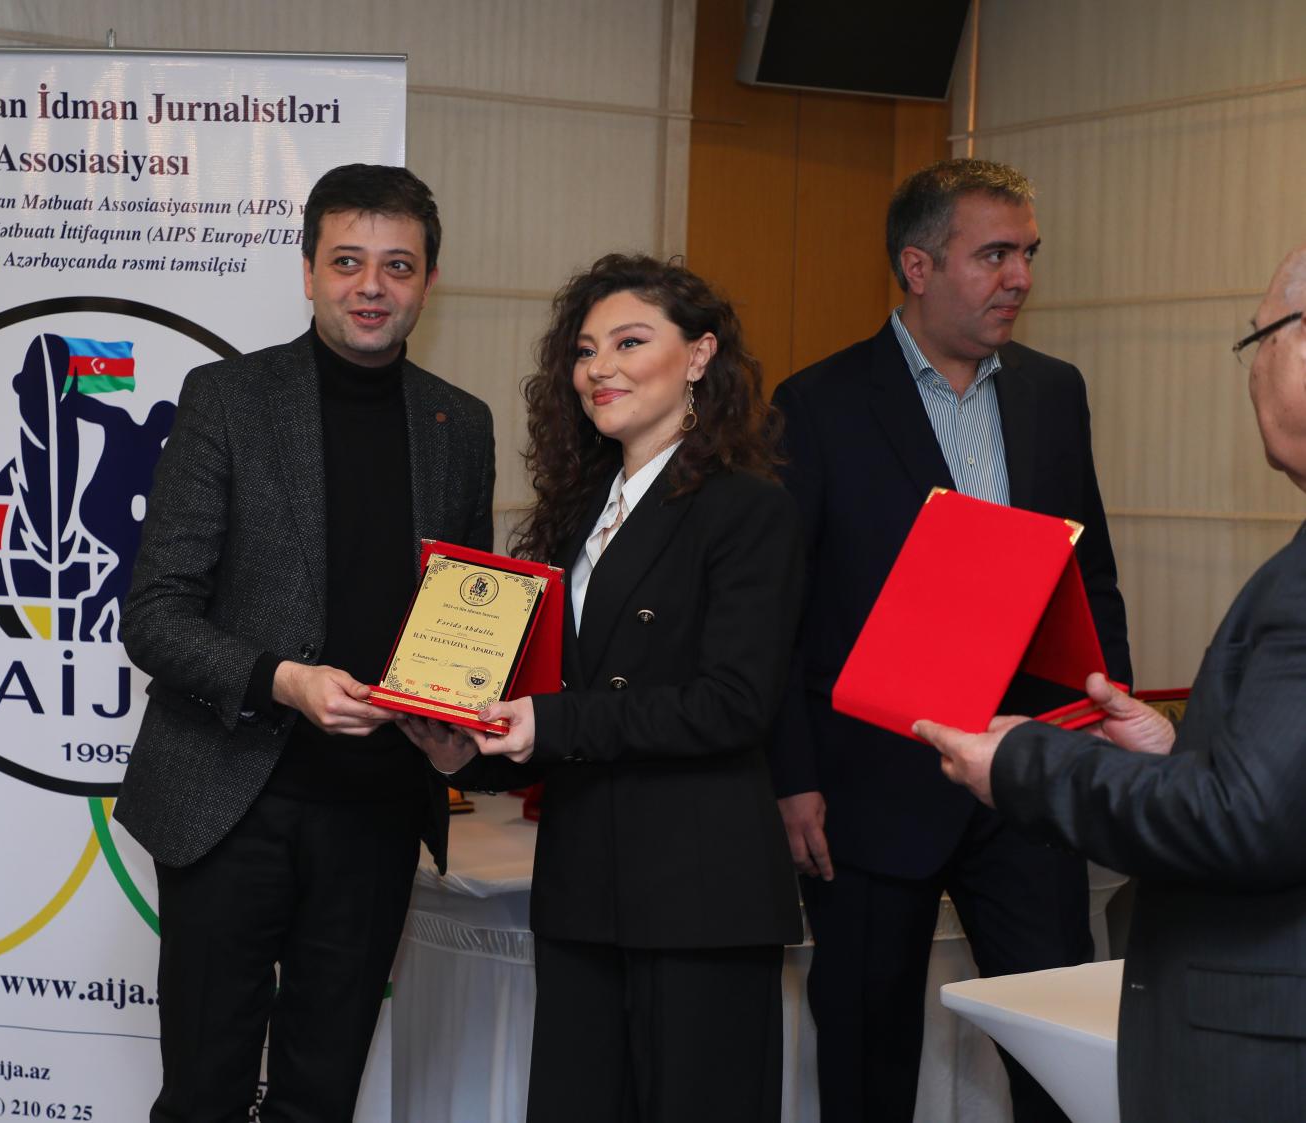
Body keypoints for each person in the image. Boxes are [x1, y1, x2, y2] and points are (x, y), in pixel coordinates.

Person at [114, 163, 495, 1123]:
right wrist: (283, 680)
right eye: (347, 261)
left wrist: (456, 719)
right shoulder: (228, 398)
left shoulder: (460, 424)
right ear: (308, 272)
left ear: (428, 282)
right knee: (203, 1093)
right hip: (227, 800)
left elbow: (466, 618)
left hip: (375, 811)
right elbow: (155, 613)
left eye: (397, 265)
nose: (371, 285)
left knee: (320, 1095)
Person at [766, 158, 1132, 1122]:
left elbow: (1088, 571)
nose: (1020, 277)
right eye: (994, 255)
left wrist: (1101, 718)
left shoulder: (1053, 391)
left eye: (1028, 254)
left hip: (1028, 772)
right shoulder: (817, 403)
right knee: (866, 1052)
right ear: (917, 266)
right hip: (869, 781)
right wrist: (791, 775)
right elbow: (780, 609)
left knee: (1058, 1043)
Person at [404, 253, 805, 1122]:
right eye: (585, 350)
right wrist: (463, 748)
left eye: (629, 342)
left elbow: (733, 704)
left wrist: (546, 723)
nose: (599, 368)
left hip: (699, 889)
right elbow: (553, 704)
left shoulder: (748, 508)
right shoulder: (574, 514)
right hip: (583, 883)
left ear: (698, 354)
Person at [918, 245, 1306, 1122]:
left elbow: (1243, 821)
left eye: (1259, 341)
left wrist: (1023, 760)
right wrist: (1172, 755)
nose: (1251, 372)